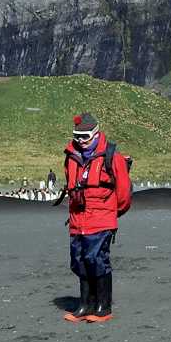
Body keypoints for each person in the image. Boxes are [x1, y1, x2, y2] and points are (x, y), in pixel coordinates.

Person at [59, 113, 131, 324]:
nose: (80, 140)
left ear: (96, 133)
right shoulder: (71, 156)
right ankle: (85, 304)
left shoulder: (111, 157)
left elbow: (124, 192)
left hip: (101, 220)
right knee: (79, 261)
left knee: (96, 260)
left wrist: (111, 214)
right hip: (77, 220)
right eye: (77, 136)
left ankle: (103, 305)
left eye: (85, 136)